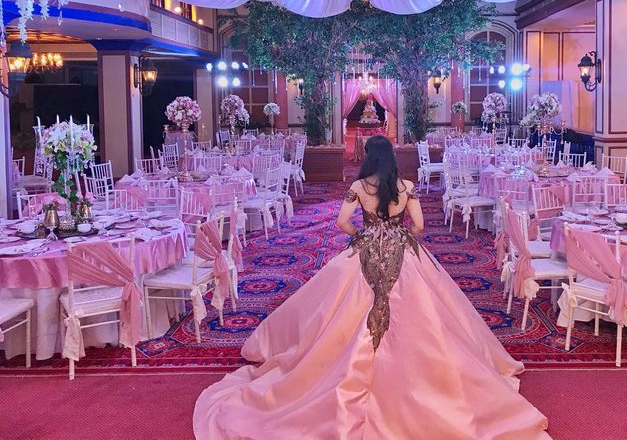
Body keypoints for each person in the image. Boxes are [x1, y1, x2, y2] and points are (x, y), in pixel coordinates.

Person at [193, 135, 549, 439]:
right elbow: (420, 226)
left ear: (368, 157)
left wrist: (364, 235)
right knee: (430, 315)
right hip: (402, 249)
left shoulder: (357, 188)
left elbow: (342, 222)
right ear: (392, 158)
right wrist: (398, 235)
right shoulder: (406, 187)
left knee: (337, 311)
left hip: (364, 249)